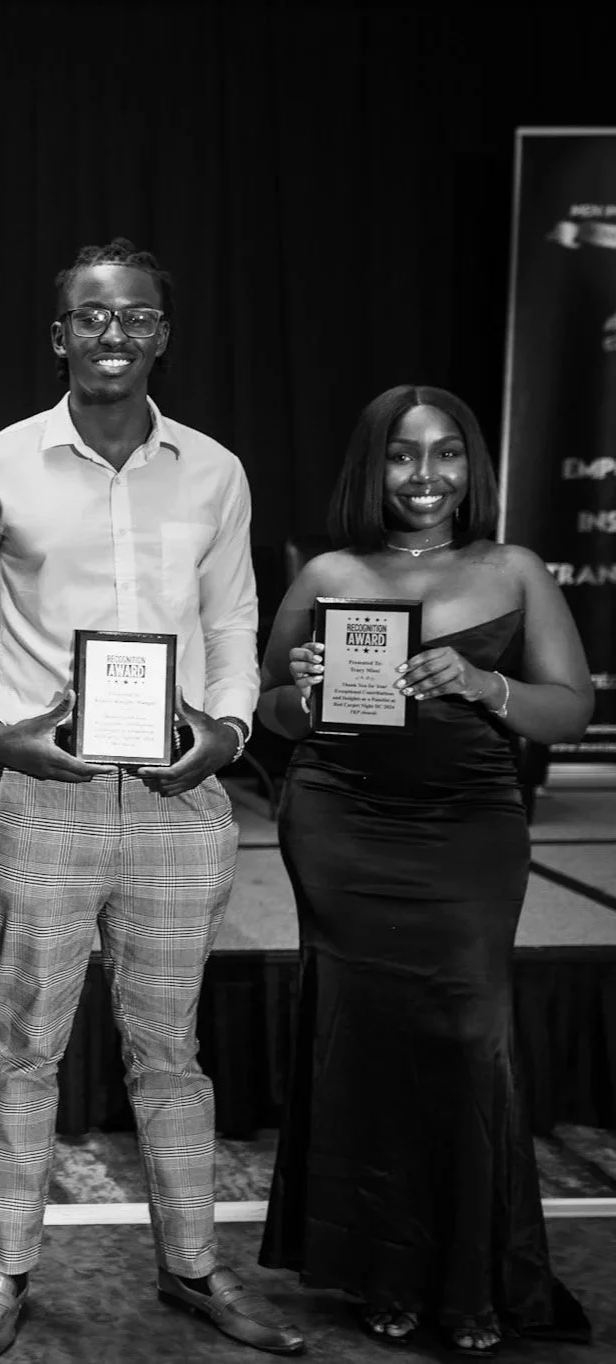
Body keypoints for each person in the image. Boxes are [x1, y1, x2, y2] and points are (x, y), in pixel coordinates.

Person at [0, 239, 303, 1360]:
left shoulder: (214, 471)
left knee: (169, 1049)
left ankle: (193, 1266)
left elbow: (234, 617)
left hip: (182, 796)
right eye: (91, 315)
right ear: (58, 334)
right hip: (48, 791)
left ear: (162, 333)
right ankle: (2, 1268)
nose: (113, 333)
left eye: (134, 315)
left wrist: (228, 726)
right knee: (24, 1040)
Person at [255, 385, 594, 1358]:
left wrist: (486, 683)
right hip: (338, 822)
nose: (425, 476)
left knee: (465, 1032)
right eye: (403, 456)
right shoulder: (326, 570)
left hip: (467, 830)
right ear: (374, 466)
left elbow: (567, 709)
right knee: (361, 1036)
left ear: (471, 467)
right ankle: (381, 1267)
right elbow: (271, 712)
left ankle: (471, 1269)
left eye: (446, 454)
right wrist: (302, 692)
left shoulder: (514, 569)